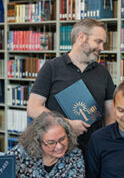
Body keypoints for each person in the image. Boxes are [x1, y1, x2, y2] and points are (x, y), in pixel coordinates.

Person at [27, 18, 115, 153]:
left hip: (93, 149)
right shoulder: (51, 68)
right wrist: (66, 124)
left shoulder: (103, 72)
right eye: (98, 42)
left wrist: (108, 143)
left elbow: (110, 113)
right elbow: (33, 108)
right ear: (81, 38)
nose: (102, 48)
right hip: (57, 149)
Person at [6, 111, 85, 178]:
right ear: (38, 141)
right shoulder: (20, 154)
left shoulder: (74, 154)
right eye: (51, 143)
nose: (59, 146)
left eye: (62, 139)